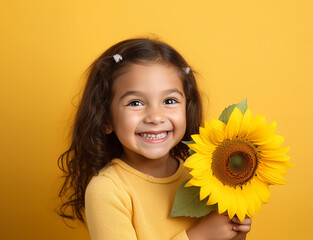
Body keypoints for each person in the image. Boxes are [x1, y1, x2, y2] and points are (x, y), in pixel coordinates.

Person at [58, 38, 252, 240]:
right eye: (135, 103)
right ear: (106, 119)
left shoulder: (202, 177)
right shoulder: (108, 190)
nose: (156, 117)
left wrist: (234, 231)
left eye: (169, 101)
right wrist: (199, 237)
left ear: (187, 108)